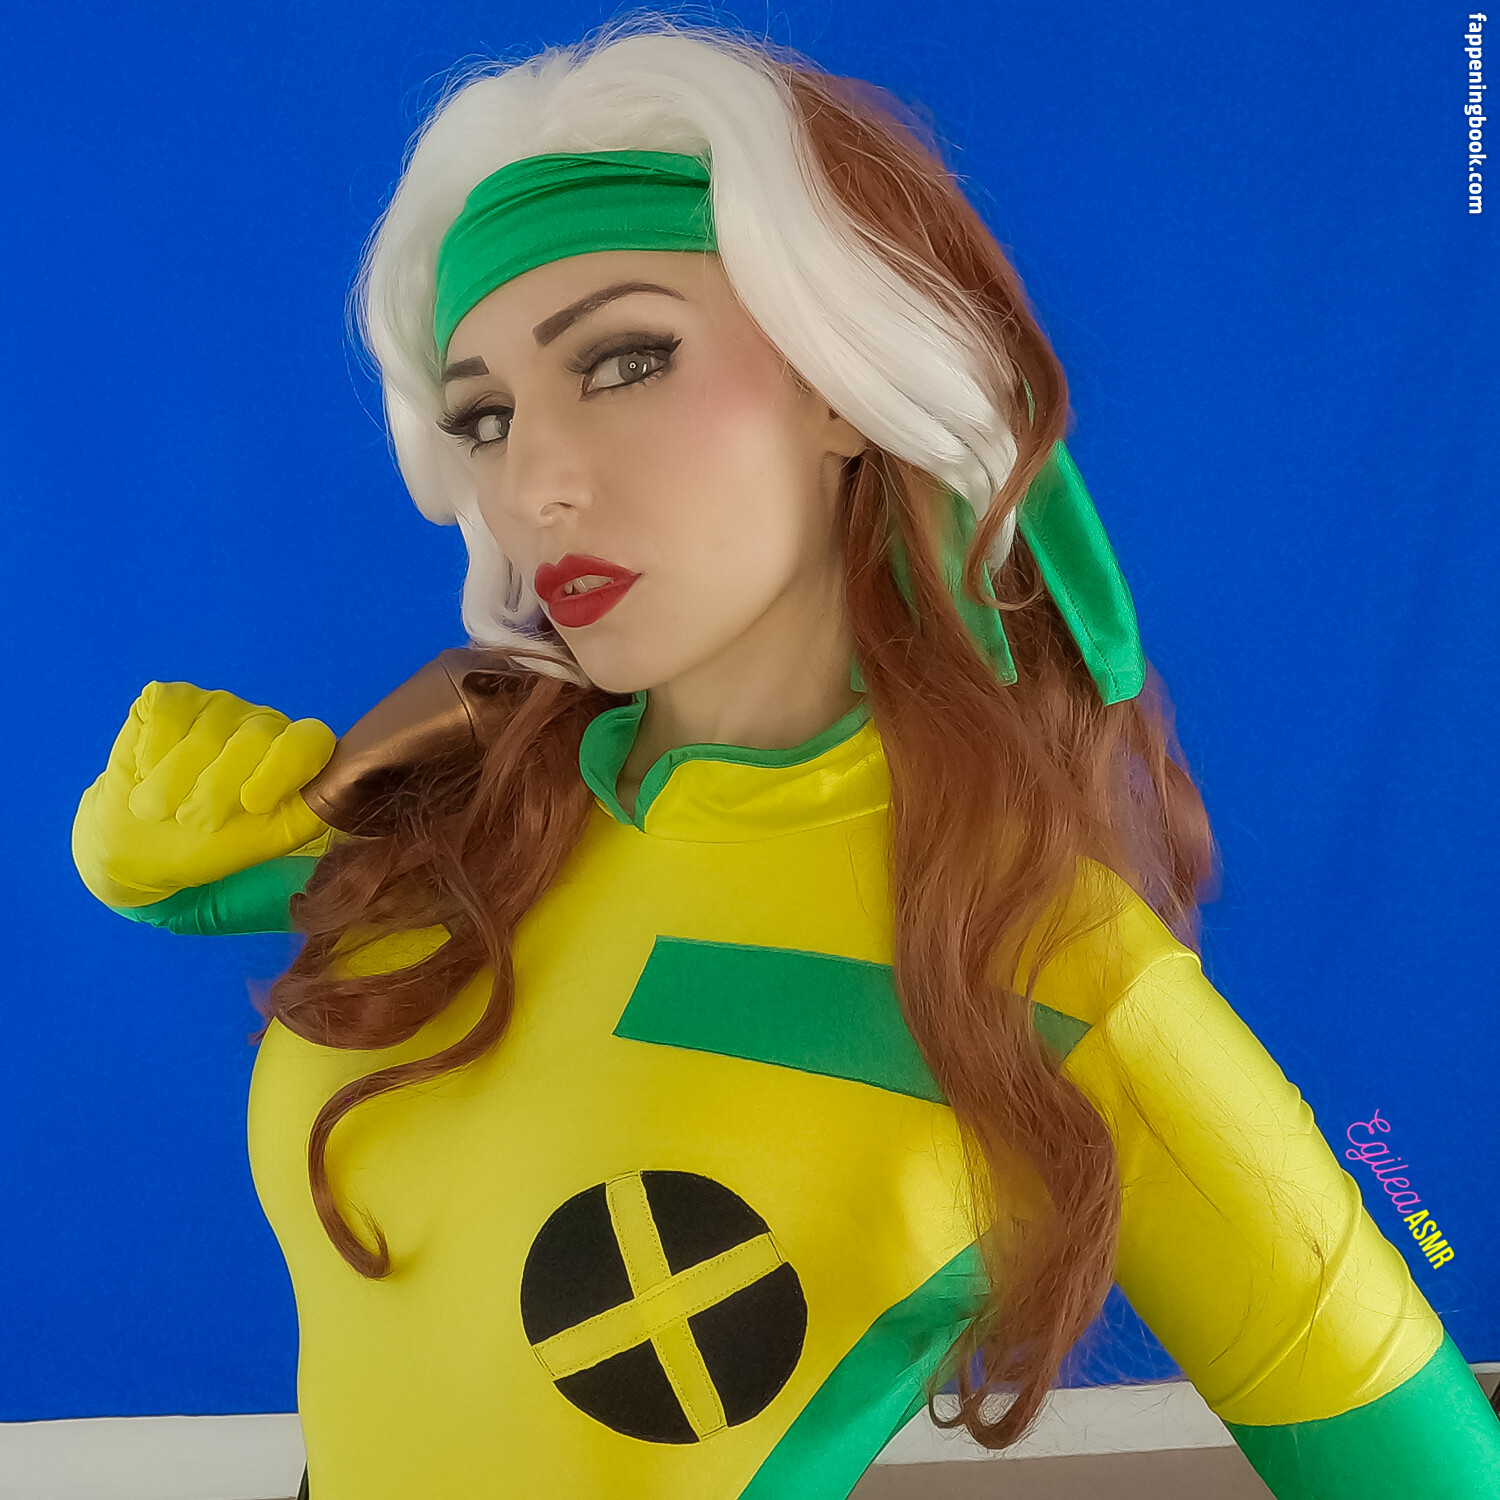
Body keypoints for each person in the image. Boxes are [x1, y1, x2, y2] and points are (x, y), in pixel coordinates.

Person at [70, 16, 1500, 1499]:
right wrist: (139, 833)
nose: (537, 483)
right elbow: (186, 884)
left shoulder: (1042, 971)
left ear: (836, 381)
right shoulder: (474, 807)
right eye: (484, 416)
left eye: (624, 361)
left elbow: (1425, 1472)